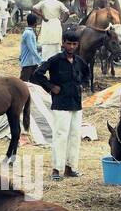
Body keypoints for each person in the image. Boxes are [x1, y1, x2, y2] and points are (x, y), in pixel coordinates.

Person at [33, 28, 86, 181]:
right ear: (63, 43)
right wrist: (51, 87)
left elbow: (87, 73)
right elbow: (38, 73)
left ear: (77, 45)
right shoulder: (55, 60)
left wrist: (82, 84)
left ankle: (71, 168)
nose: (71, 47)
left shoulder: (78, 61)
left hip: (76, 103)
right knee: (60, 136)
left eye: (74, 44)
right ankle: (57, 169)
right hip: (61, 103)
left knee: (75, 136)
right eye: (68, 44)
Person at [19, 12, 42, 84]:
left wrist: (42, 47)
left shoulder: (30, 32)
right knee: (23, 83)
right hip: (28, 63)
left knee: (35, 83)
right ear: (35, 23)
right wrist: (40, 59)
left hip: (33, 63)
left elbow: (34, 46)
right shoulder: (28, 33)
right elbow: (32, 49)